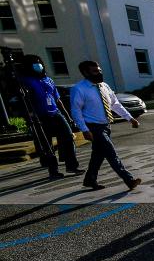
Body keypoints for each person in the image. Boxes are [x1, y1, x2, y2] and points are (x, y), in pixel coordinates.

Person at [69, 61, 141, 191]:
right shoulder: (79, 89)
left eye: (99, 70)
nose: (99, 73)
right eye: (95, 71)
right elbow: (76, 111)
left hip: (106, 126)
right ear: (86, 73)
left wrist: (130, 118)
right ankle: (129, 180)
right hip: (93, 128)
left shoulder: (104, 86)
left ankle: (90, 180)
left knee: (98, 155)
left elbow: (115, 104)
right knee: (111, 153)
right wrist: (84, 130)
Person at [19, 54, 81, 178]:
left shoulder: (48, 80)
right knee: (47, 144)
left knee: (68, 136)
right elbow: (23, 99)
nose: (38, 65)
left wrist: (67, 116)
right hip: (39, 116)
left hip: (55, 112)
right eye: (34, 63)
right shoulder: (25, 81)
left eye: (39, 62)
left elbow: (58, 99)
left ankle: (71, 166)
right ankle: (53, 170)